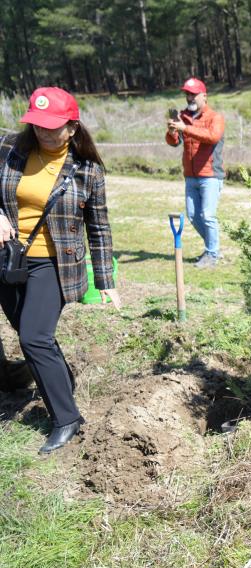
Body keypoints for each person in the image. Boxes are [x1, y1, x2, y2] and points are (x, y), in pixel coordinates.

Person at [0, 86, 120, 453]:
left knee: (33, 337)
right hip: (8, 257)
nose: (43, 131)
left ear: (72, 127)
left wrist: (106, 281)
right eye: (37, 124)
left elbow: (98, 228)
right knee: (30, 331)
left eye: (52, 126)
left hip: (54, 264)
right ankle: (61, 378)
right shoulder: (9, 149)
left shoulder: (88, 171)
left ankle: (66, 418)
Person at [166, 77, 225, 268]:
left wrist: (186, 128)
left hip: (210, 175)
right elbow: (173, 142)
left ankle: (213, 254)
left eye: (193, 94)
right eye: (187, 94)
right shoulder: (183, 116)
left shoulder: (215, 118)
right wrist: (172, 131)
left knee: (208, 215)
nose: (189, 97)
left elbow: (212, 136)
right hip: (190, 175)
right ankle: (212, 248)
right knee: (193, 216)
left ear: (204, 96)